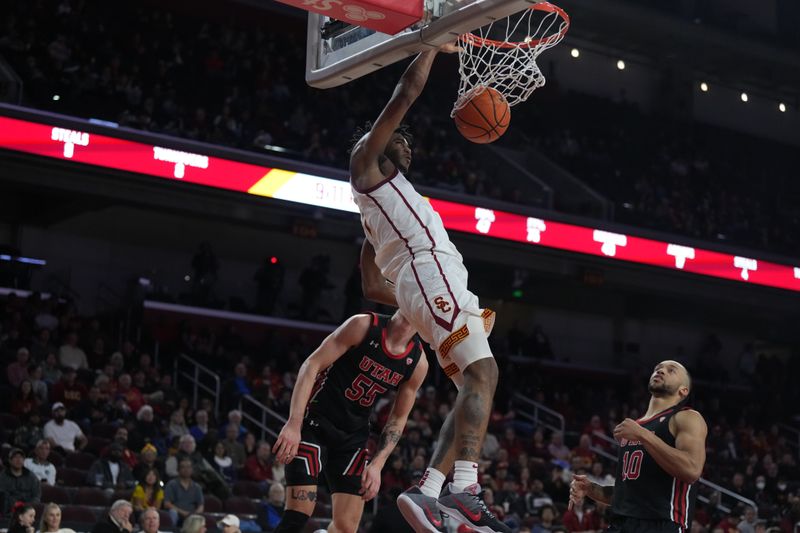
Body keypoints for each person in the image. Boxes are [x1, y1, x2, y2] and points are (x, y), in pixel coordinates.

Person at [349, 45, 506, 533]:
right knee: (483, 374)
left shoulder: (378, 217)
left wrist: (418, 306)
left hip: (429, 284)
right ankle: (462, 490)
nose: (410, 146)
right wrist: (432, 44)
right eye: (403, 139)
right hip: (429, 274)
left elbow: (372, 285)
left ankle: (430, 493)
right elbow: (406, 92)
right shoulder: (365, 163)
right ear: (377, 140)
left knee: (471, 386)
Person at [270, 311, 428, 533]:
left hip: (353, 436)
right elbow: (311, 364)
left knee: (346, 528)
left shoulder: (418, 363)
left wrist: (377, 464)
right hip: (315, 422)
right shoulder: (363, 325)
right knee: (298, 513)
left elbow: (398, 418)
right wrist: (294, 423)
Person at [570, 360, 708, 533]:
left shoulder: (686, 417)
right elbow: (629, 493)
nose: (661, 371)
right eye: (658, 369)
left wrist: (643, 435)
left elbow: (691, 470)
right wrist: (591, 489)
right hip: (621, 524)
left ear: (683, 390)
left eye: (671, 370)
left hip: (661, 525)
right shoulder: (635, 427)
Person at [164, 458, 205, 526]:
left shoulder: (197, 486)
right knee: (173, 513)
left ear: (192, 470)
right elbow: (167, 504)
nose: (186, 469)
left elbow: (201, 505)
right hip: (177, 513)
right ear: (178, 470)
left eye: (188, 467)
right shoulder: (172, 484)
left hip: (192, 515)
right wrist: (183, 513)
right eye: (183, 467)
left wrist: (194, 514)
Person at [0, 448, 41, 514]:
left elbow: (37, 495)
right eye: (15, 457)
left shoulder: (31, 476)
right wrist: (15, 504)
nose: (18, 460)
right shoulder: (3, 476)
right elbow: (2, 495)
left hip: (28, 510)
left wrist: (27, 506)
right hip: (9, 510)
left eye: (21, 457)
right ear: (10, 460)